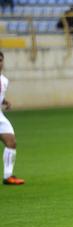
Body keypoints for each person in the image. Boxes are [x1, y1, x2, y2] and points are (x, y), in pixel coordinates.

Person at [0, 52, 24, 185]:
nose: (0, 63)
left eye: (1, 60)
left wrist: (5, 102)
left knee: (11, 142)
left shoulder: (4, 80)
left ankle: (8, 176)